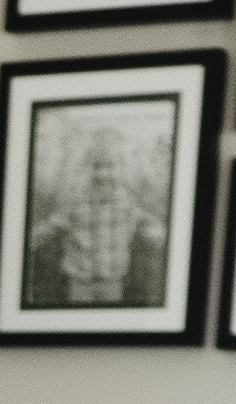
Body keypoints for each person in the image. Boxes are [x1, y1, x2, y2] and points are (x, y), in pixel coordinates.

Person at [27, 127, 168, 307]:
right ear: (88, 168)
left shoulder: (127, 201)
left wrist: (160, 236)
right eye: (97, 167)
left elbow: (146, 223)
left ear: (120, 168)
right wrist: (31, 239)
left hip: (113, 281)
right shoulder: (75, 201)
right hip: (80, 281)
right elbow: (53, 225)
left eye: (110, 167)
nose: (103, 174)